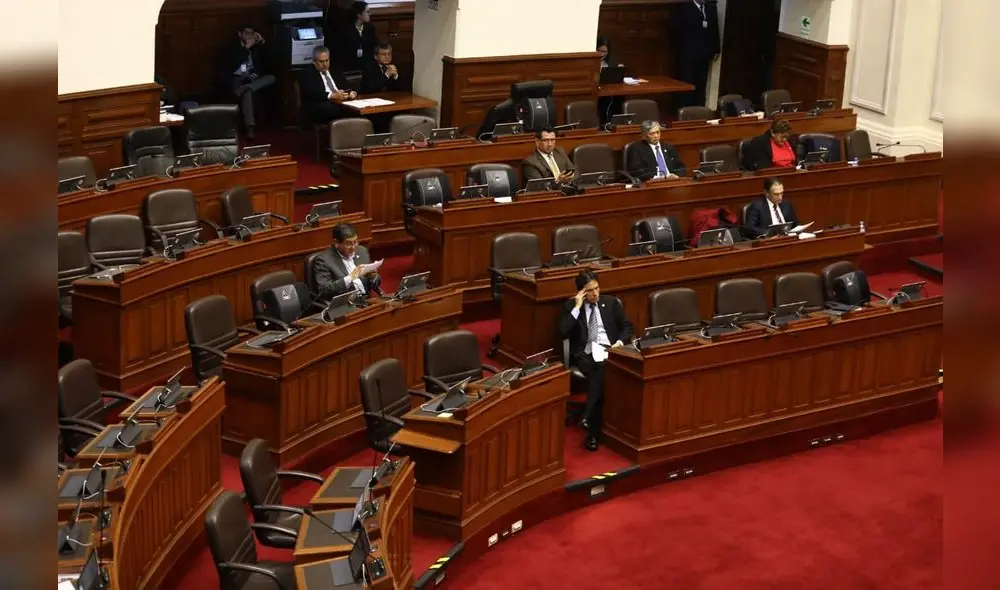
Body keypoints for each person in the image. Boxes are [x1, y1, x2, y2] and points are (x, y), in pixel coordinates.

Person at [557, 270, 634, 451]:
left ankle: (588, 420)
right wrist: (577, 307)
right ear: (581, 292)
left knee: (599, 373)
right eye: (590, 290)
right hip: (585, 353)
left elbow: (628, 326)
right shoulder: (571, 306)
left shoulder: (611, 303)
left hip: (609, 350)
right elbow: (563, 331)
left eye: (597, 288)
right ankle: (592, 430)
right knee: (600, 372)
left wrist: (619, 343)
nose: (595, 293)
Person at [225, 27, 276, 139]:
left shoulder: (257, 47)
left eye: (252, 33)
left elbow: (272, 59)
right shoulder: (233, 47)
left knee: (271, 78)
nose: (250, 36)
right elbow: (234, 63)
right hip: (238, 78)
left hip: (253, 78)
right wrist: (247, 47)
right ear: (240, 34)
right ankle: (250, 128)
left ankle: (245, 88)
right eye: (247, 33)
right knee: (248, 93)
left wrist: (263, 42)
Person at [671, 0, 721, 108]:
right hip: (688, 54)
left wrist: (717, 49)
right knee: (688, 83)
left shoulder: (711, 8)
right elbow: (676, 31)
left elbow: (714, 29)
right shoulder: (685, 8)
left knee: (701, 84)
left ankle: (699, 110)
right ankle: (684, 110)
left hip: (705, 54)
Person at [312, 223, 382, 299]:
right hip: (345, 305)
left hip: (366, 300)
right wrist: (350, 278)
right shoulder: (324, 260)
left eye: (355, 242)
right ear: (336, 243)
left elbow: (373, 283)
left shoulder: (362, 251)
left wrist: (374, 278)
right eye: (348, 243)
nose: (353, 247)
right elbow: (324, 290)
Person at [299, 46, 357, 125]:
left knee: (356, 108)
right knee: (333, 109)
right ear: (314, 62)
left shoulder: (335, 69)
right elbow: (312, 92)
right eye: (321, 61)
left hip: (340, 101)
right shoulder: (307, 73)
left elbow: (346, 84)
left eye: (327, 60)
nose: (325, 64)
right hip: (320, 103)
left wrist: (350, 92)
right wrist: (331, 95)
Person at [336, 1, 379, 73]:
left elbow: (373, 46)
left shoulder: (370, 28)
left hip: (367, 65)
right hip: (349, 65)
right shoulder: (345, 30)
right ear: (359, 15)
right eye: (367, 12)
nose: (370, 14)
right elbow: (341, 51)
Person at [596, 36, 624, 124]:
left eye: (605, 52)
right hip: (597, 92)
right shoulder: (591, 62)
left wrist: (618, 69)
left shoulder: (610, 61)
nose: (602, 54)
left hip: (609, 90)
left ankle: (615, 123)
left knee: (619, 99)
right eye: (600, 51)